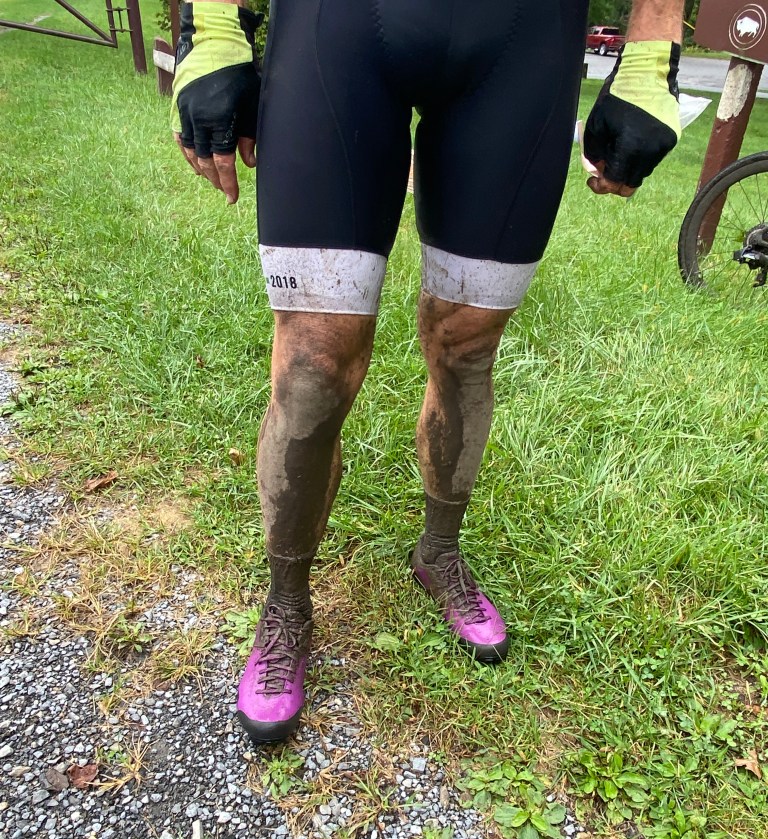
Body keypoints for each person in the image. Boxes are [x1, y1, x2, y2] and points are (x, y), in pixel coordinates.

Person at [171, 0, 684, 744]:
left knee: (467, 344)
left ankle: (438, 551)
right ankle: (286, 601)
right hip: (339, 25)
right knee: (313, 363)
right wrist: (213, 25)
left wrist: (650, 54)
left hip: (522, 35)